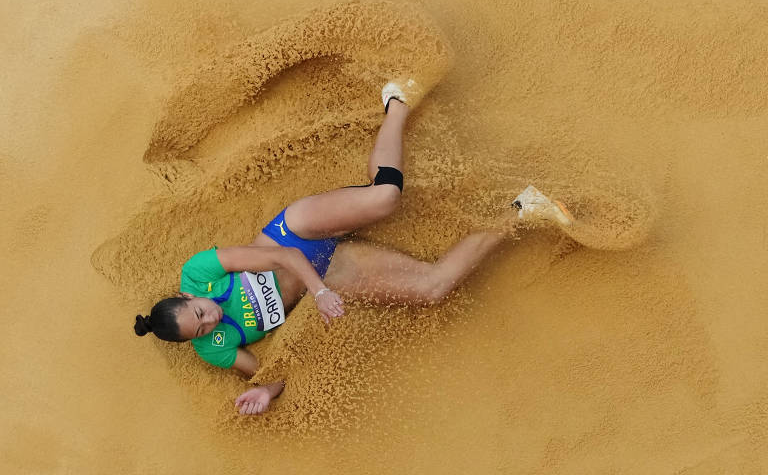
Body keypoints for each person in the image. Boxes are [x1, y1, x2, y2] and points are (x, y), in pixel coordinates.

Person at [133, 81, 574, 415]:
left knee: (385, 197)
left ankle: (397, 100)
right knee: (433, 289)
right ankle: (523, 210)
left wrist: (321, 295)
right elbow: (272, 373)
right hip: (326, 273)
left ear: (189, 297)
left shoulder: (199, 272)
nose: (211, 321)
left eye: (201, 313)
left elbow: (279, 257)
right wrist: (266, 391)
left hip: (296, 235)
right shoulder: (215, 348)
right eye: (203, 330)